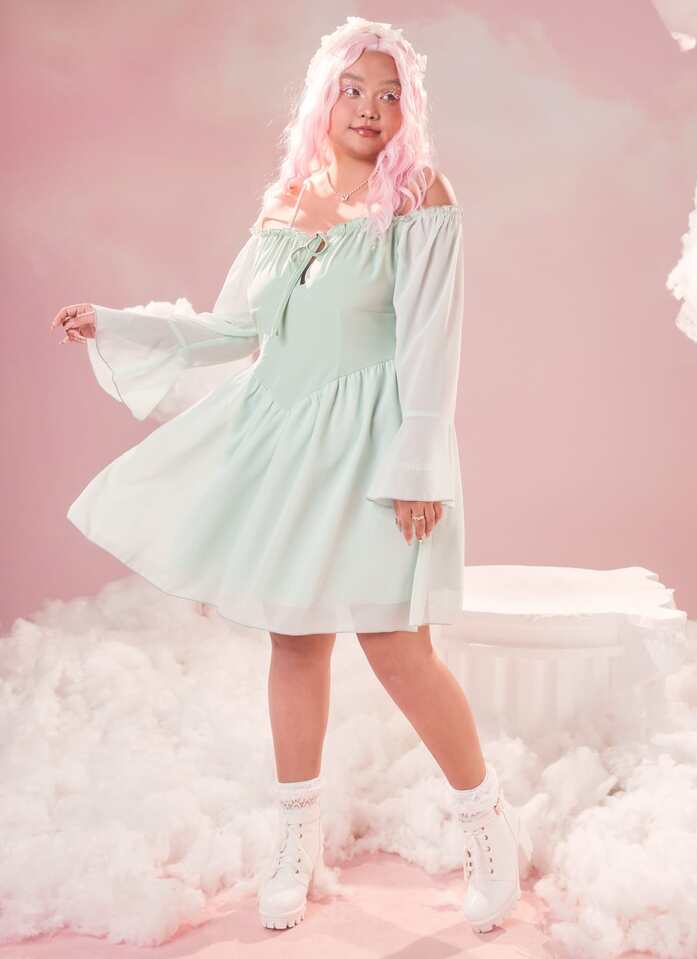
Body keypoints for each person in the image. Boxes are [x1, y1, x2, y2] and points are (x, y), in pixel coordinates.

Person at [51, 16, 521, 937]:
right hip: (291, 445)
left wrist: (419, 462)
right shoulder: (285, 202)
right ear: (323, 97)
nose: (371, 109)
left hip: (379, 443)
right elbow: (234, 331)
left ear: (409, 110)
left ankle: (488, 821)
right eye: (354, 89)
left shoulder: (420, 195)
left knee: (399, 645)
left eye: (390, 95)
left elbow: (433, 340)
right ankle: (296, 842)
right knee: (296, 640)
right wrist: (116, 323)